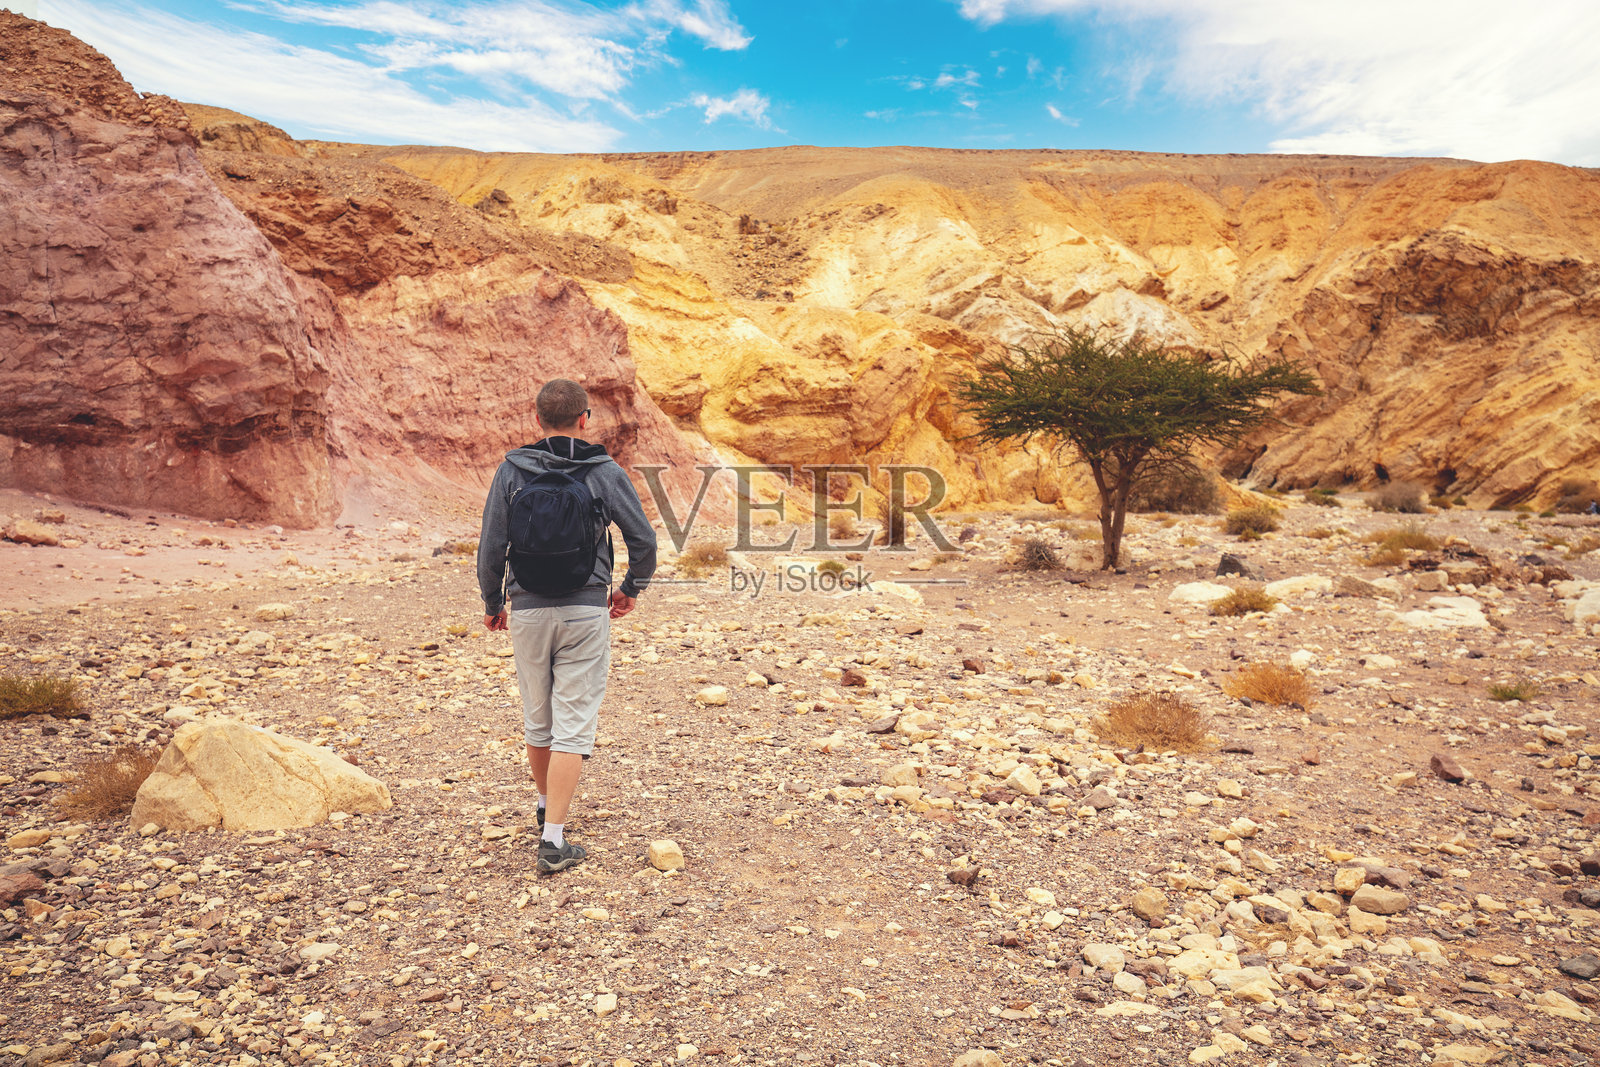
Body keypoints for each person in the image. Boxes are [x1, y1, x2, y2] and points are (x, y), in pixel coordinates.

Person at [477, 379, 657, 874]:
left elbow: (491, 545)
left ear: (537, 420)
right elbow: (643, 539)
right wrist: (630, 588)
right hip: (585, 610)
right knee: (573, 724)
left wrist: (493, 600)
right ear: (585, 420)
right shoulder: (602, 470)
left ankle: (544, 806)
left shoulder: (513, 470)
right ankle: (553, 841)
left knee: (539, 719)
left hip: (528, 609)